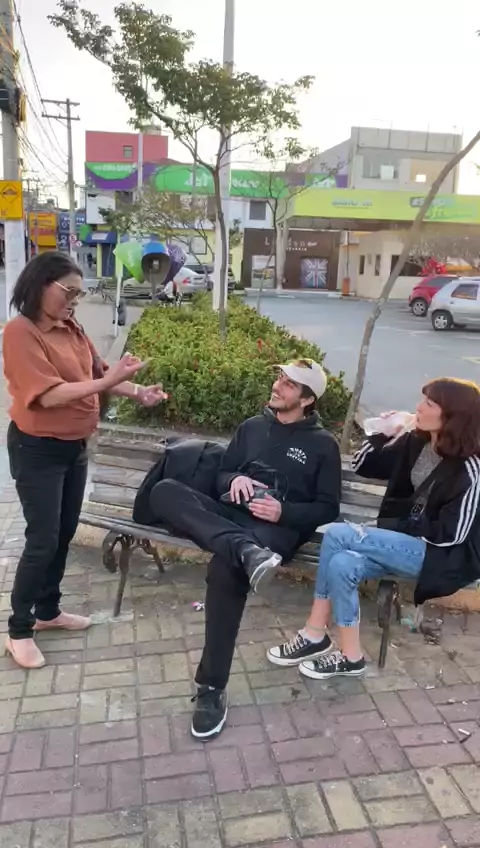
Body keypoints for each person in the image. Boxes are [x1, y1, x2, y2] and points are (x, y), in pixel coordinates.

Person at [151, 359, 342, 739]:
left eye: (289, 384)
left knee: (225, 570)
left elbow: (327, 508)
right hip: (232, 519)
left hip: (275, 531)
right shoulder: (252, 427)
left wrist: (284, 511)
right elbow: (222, 473)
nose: (278, 385)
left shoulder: (323, 445)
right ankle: (243, 549)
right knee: (164, 491)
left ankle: (211, 688)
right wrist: (234, 479)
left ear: (307, 399)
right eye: (279, 378)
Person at [3, 252, 167, 670]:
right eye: (69, 292)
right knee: (42, 540)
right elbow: (49, 394)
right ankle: (18, 630)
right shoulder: (21, 332)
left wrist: (138, 391)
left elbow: (97, 372)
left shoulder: (70, 326)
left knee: (64, 532)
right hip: (37, 449)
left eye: (79, 293)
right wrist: (108, 381)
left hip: (74, 448)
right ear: (41, 285)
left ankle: (48, 611)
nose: (74, 300)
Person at [268, 377, 480, 681]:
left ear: (452, 416)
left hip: (438, 556)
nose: (419, 407)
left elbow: (452, 535)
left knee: (338, 534)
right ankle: (351, 657)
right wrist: (382, 432)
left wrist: (400, 527)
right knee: (342, 564)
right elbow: (363, 464)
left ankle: (314, 632)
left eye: (429, 404)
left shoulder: (470, 469)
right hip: (398, 542)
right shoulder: (416, 442)